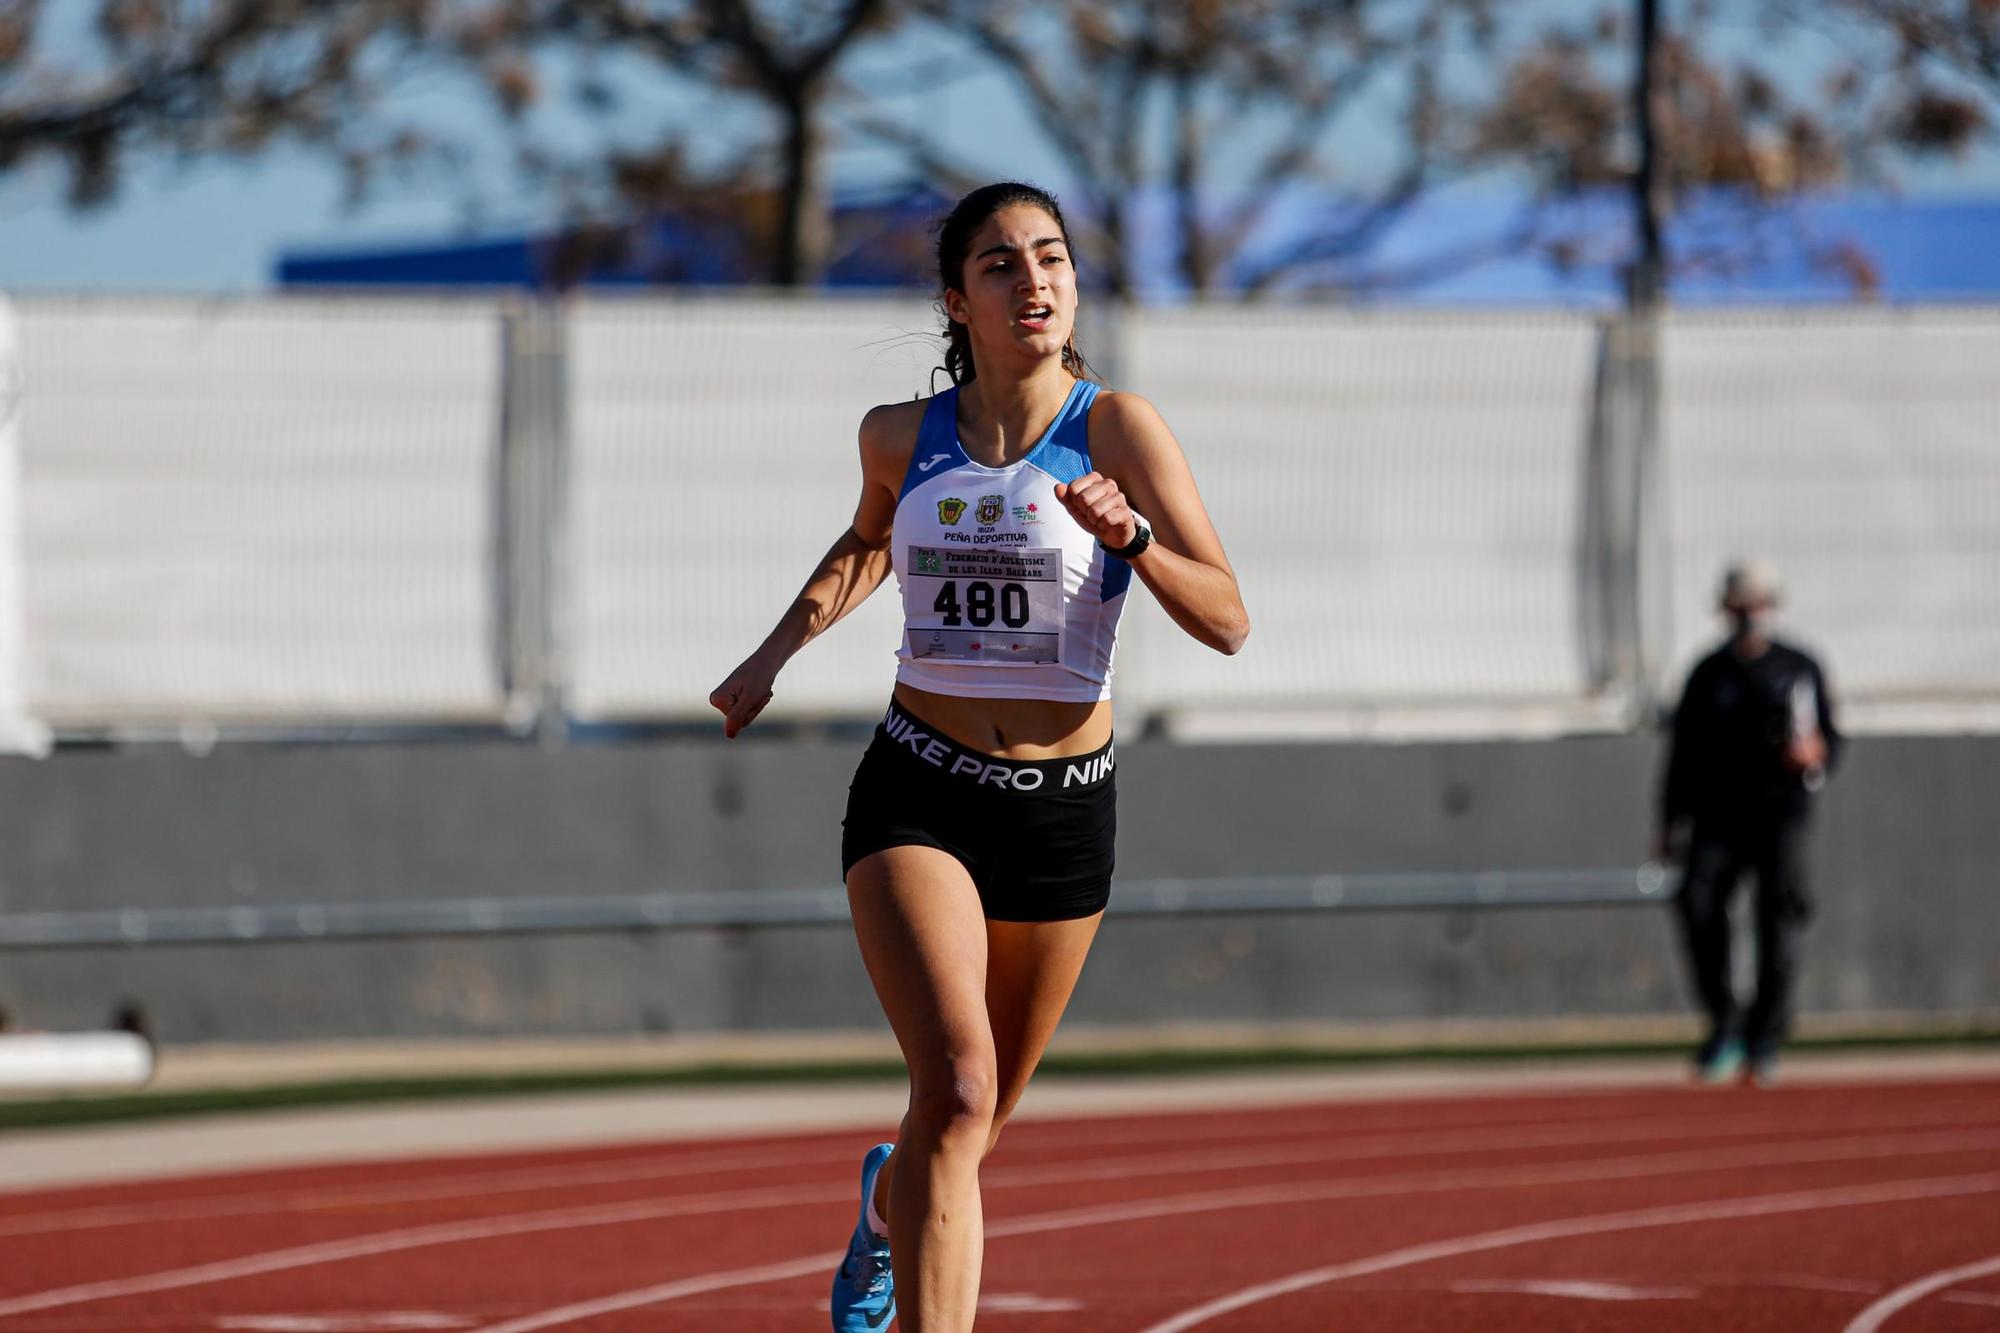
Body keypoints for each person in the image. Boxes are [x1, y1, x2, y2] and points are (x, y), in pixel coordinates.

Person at [709, 182, 1247, 1332]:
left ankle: (881, 1211)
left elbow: (1228, 617)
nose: (1034, 281)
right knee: (954, 1091)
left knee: (974, 1122)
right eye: (1001, 264)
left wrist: (1134, 540)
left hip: (1061, 812)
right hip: (919, 790)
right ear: (957, 298)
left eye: (1050, 257)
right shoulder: (900, 435)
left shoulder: (1118, 430)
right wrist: (771, 654)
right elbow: (866, 543)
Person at [1655, 560, 1840, 1088]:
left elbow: (1827, 740)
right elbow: (1682, 753)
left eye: (1756, 605)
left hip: (1780, 814)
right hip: (1717, 817)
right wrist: (1669, 819)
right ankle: (1725, 1023)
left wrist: (1814, 754)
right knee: (1698, 906)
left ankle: (1765, 1037)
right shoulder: (1708, 673)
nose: (1747, 617)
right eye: (1739, 607)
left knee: (1777, 921)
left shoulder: (1797, 667)